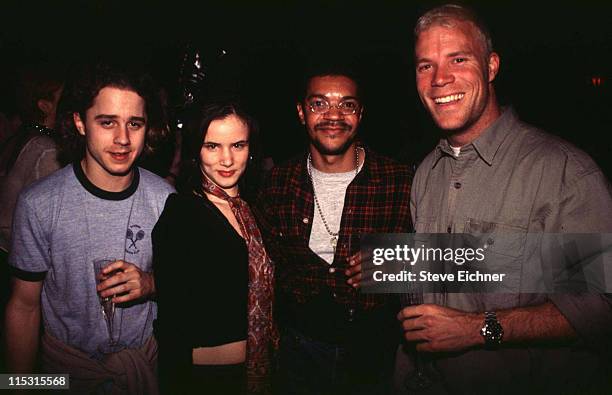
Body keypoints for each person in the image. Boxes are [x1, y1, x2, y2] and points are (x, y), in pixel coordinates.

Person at [394, 4, 612, 394]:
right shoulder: (426, 172)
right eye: (425, 65)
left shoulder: (562, 172)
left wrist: (477, 329)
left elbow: (598, 308)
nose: (439, 79)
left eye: (457, 59)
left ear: (491, 66)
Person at [4, 62, 175, 394]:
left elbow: (189, 286)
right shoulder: (39, 203)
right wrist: (17, 386)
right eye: (107, 122)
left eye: (135, 123)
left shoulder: (166, 199)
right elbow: (23, 307)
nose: (123, 139)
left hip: (142, 370)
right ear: (80, 122)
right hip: (65, 375)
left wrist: (151, 283)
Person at [254, 65, 412, 394]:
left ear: (361, 114)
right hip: (298, 353)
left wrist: (397, 264)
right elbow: (257, 268)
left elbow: (455, 262)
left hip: (376, 355)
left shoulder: (401, 181)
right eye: (319, 104)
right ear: (301, 112)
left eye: (347, 105)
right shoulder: (277, 184)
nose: (333, 115)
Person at [153, 100, 274, 395]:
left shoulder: (253, 211)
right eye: (212, 146)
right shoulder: (182, 212)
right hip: (204, 380)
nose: (227, 159)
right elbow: (172, 320)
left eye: (238, 145)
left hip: (262, 371)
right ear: (197, 150)